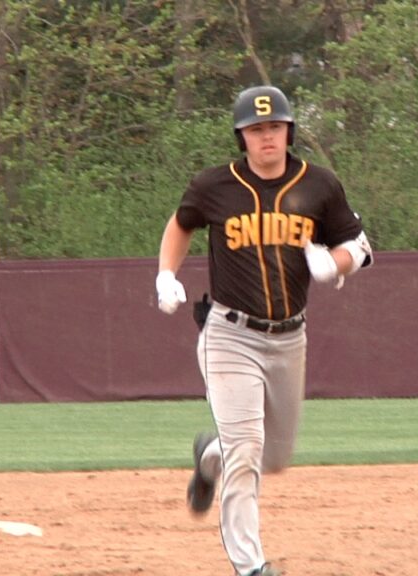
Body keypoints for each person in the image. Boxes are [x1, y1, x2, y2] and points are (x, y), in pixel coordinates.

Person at [154, 85, 373, 576]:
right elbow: (181, 222)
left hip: (289, 339)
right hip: (229, 335)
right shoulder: (215, 185)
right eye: (256, 129)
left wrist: (333, 263)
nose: (266, 136)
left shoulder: (319, 185)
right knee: (248, 452)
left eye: (274, 126)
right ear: (241, 137)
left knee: (272, 457)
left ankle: (210, 457)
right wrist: (166, 273)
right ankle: (250, 566)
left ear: (289, 130)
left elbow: (359, 246)